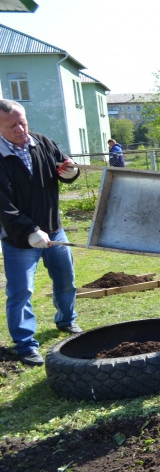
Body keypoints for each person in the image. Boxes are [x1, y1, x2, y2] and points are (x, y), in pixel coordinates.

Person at [0, 99, 83, 366]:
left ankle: (67, 320)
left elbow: (63, 168)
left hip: (54, 231)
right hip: (18, 239)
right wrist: (29, 231)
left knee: (66, 280)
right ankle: (25, 345)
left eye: (23, 121)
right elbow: (3, 205)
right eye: (12, 125)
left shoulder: (43, 143)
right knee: (21, 291)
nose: (21, 129)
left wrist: (71, 172)